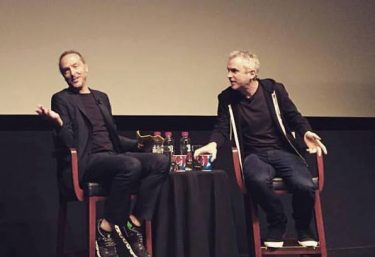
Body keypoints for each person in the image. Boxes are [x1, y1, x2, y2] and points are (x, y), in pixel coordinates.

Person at [36, 50, 169, 257]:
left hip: (112, 156)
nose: (72, 73)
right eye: (66, 70)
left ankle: (133, 221)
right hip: (87, 160)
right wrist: (59, 124)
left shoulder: (101, 98)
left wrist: (139, 144)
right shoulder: (61, 99)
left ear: (86, 67)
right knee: (130, 165)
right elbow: (72, 142)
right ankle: (106, 227)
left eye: (75, 66)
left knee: (160, 161)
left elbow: (112, 137)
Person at [194, 50, 327, 248]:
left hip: (283, 152)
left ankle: (302, 226)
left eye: (234, 71)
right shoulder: (227, 98)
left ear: (252, 73)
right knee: (256, 180)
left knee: (305, 185)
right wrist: (213, 144)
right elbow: (222, 127)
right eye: (228, 71)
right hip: (255, 155)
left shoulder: (274, 90)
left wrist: (306, 132)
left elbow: (293, 116)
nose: (229, 75)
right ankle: (277, 220)